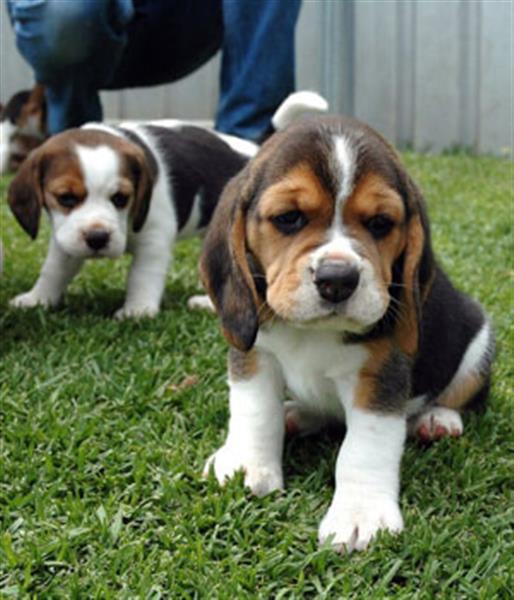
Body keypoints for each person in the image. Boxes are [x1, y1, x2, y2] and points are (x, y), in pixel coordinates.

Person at [6, 0, 302, 142]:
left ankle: (242, 151)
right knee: (64, 12)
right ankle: (71, 142)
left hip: (181, 21)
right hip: (81, 21)